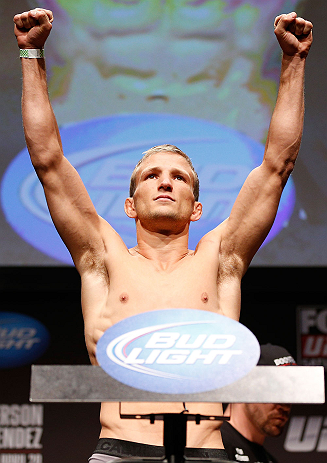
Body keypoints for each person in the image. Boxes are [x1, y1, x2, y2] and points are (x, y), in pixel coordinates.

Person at [13, 8, 312, 463]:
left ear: (197, 208)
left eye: (180, 177)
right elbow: (48, 161)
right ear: (130, 205)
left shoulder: (221, 260)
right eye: (152, 176)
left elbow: (277, 166)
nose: (166, 181)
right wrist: (31, 53)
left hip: (206, 453)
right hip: (121, 451)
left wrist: (293, 63)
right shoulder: (103, 259)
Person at [221, 344, 297, 463]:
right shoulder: (213, 446)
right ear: (244, 385)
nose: (285, 406)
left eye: (291, 393)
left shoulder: (269, 460)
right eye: (276, 390)